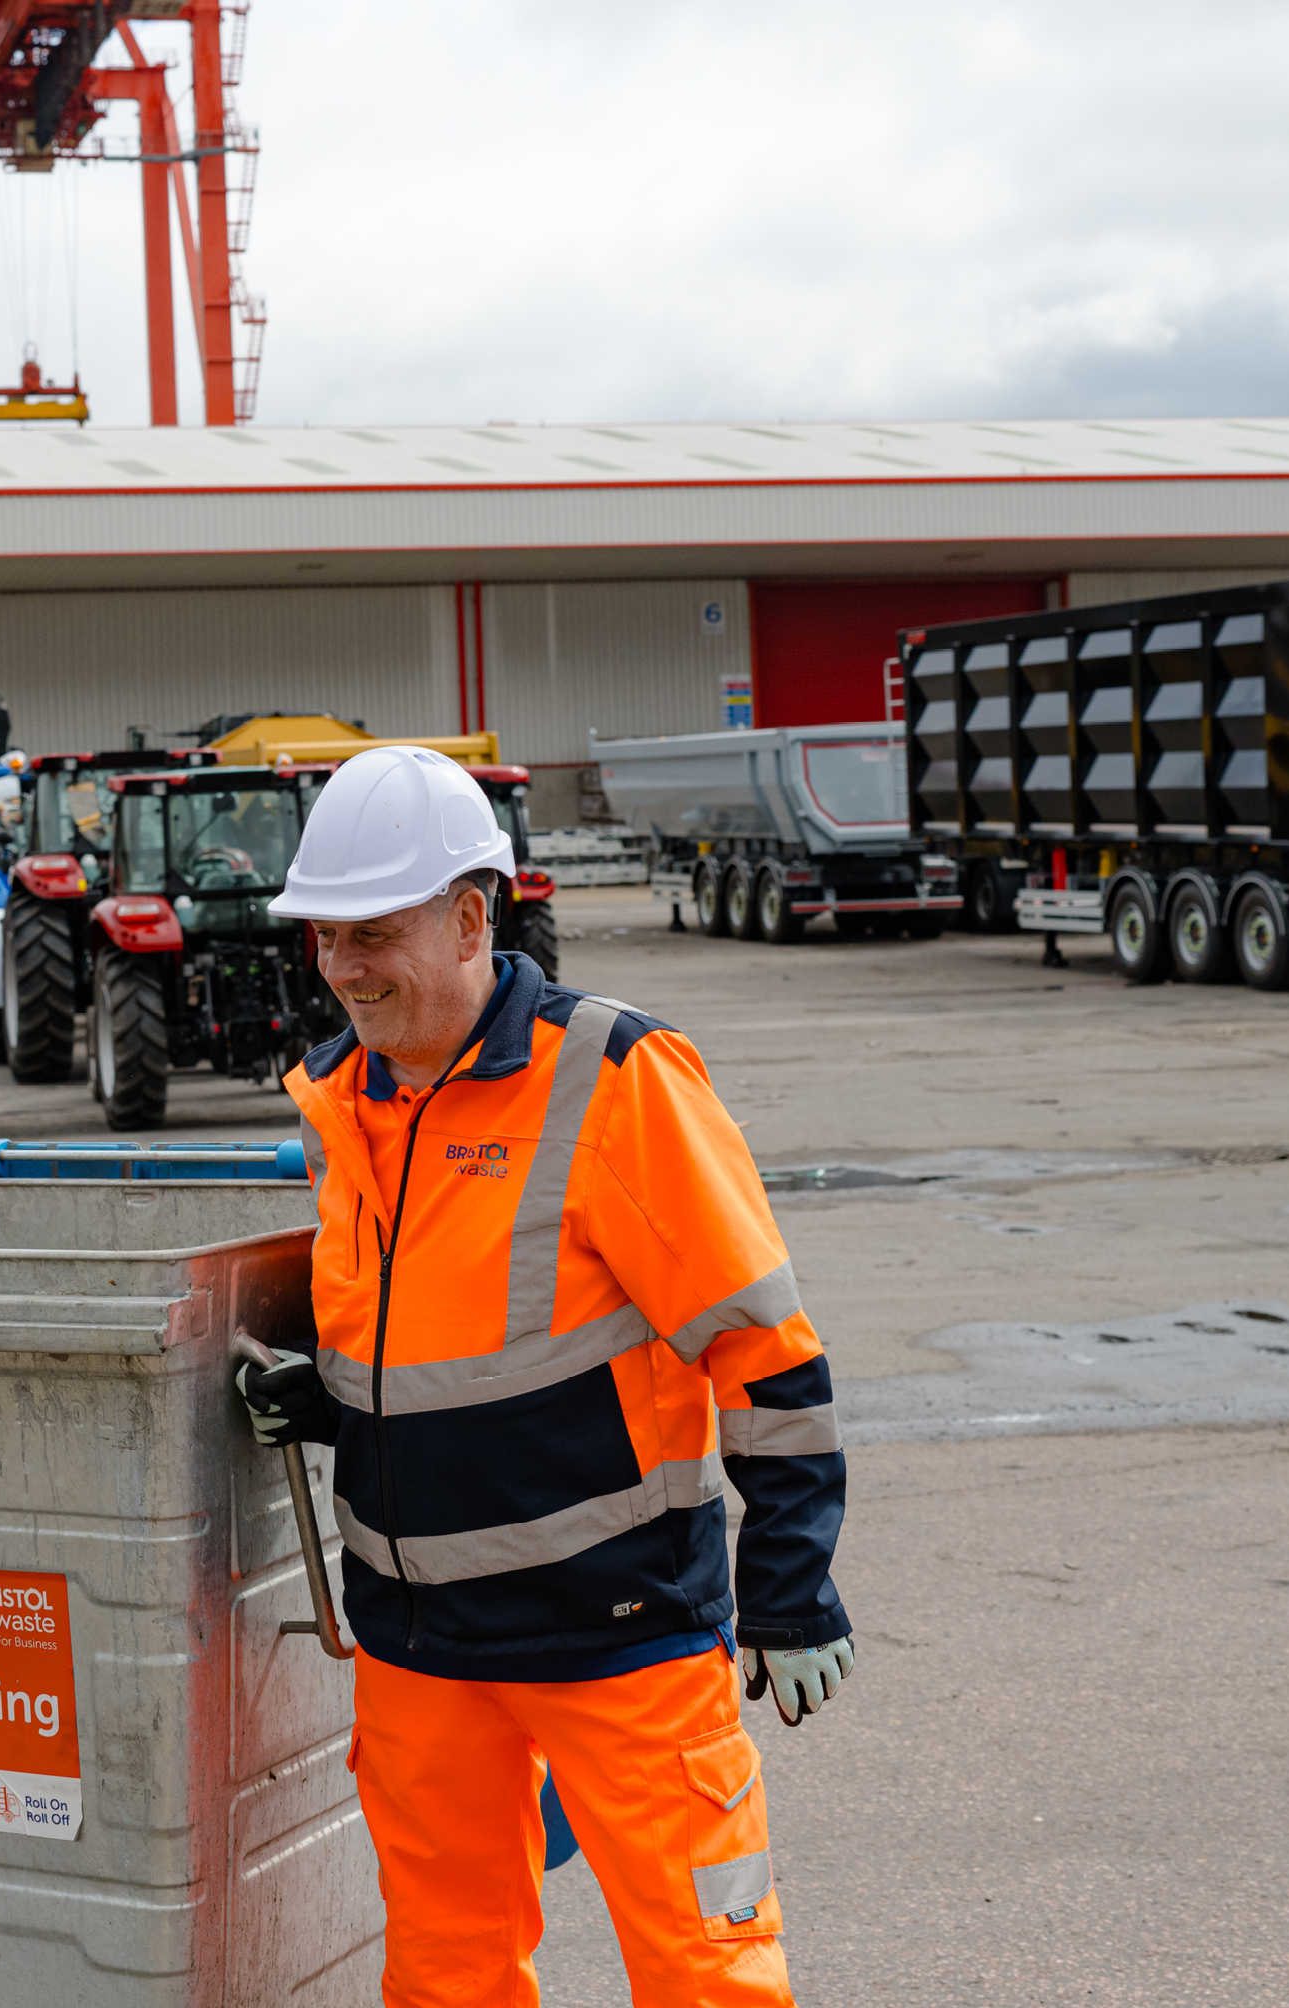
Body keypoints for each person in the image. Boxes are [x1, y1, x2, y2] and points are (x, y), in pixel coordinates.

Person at [238, 746, 851, 2008]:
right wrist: (336, 1391)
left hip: (618, 1640)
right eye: (322, 938)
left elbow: (760, 1343)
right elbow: (442, 1325)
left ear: (471, 918)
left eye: (373, 932)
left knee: (705, 1971)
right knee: (446, 1975)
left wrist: (789, 1585)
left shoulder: (614, 1082)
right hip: (420, 1653)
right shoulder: (347, 1106)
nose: (342, 968)